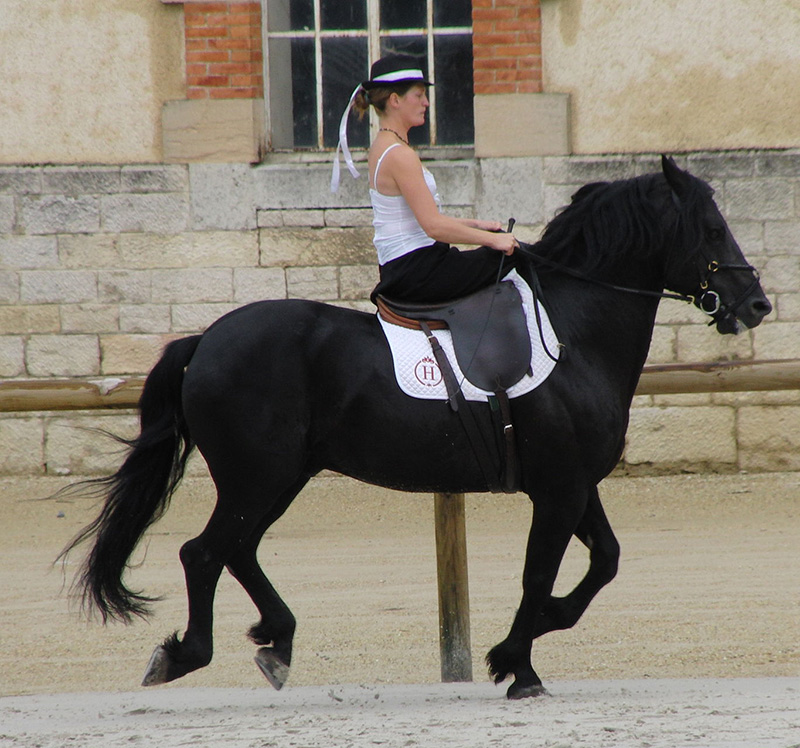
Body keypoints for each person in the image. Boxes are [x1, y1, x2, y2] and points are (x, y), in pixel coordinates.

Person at [331, 54, 519, 304]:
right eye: (419, 95)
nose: (426, 103)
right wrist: (495, 240)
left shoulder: (383, 144)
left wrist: (475, 224)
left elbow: (418, 220)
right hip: (417, 272)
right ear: (395, 100)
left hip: (406, 267)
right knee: (516, 258)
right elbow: (433, 227)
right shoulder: (400, 154)